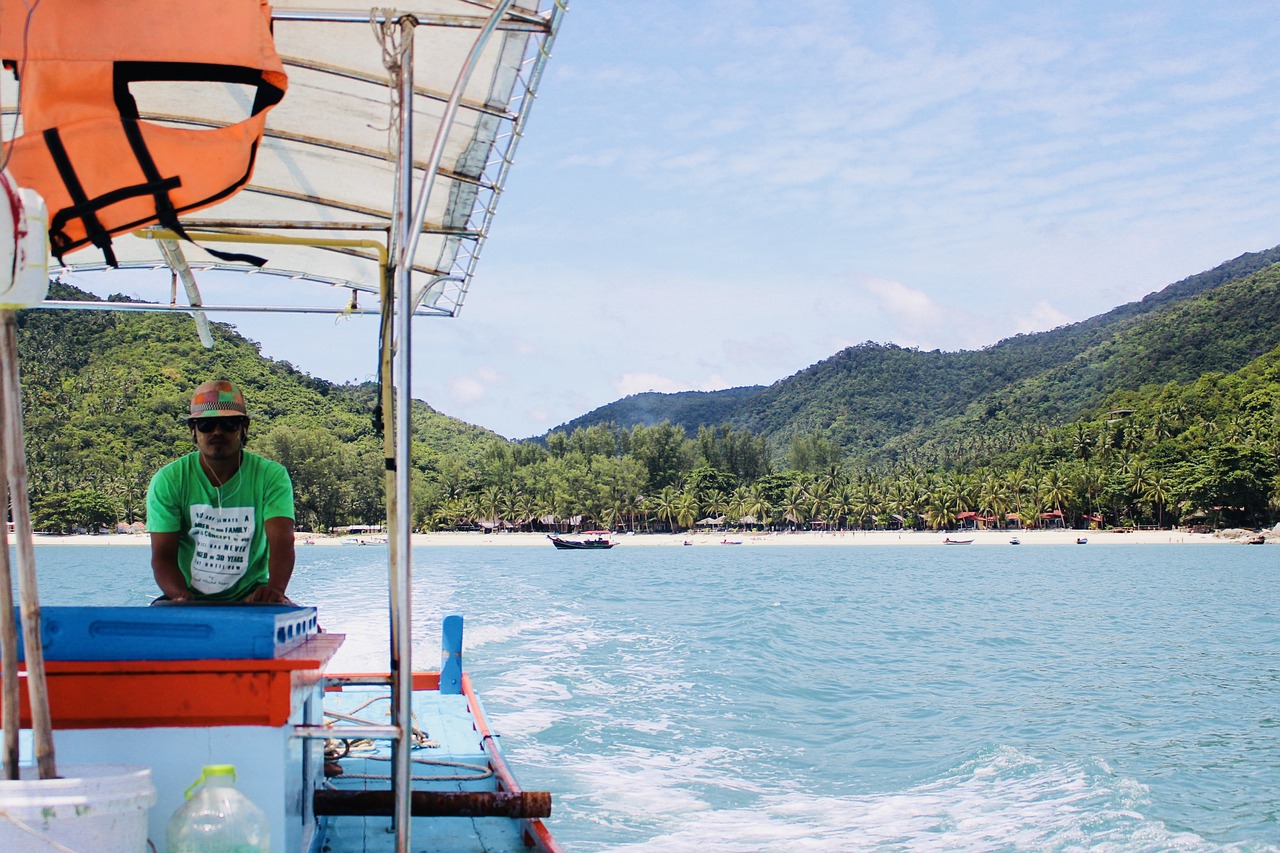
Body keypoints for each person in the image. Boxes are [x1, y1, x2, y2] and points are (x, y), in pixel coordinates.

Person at [146, 380, 296, 603]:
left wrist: (274, 591)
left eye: (228, 424)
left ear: (244, 426)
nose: (217, 431)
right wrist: (180, 597)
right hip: (187, 596)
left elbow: (282, 543)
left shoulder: (271, 476)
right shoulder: (169, 480)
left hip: (253, 596)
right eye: (206, 424)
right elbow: (162, 558)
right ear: (193, 430)